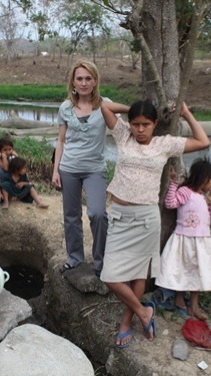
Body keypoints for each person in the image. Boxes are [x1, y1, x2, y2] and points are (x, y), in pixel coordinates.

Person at [100, 100, 211, 349]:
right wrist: (132, 109)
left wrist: (186, 112)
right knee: (110, 276)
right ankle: (144, 312)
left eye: (146, 124)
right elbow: (104, 107)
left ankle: (127, 320)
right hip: (120, 216)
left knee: (139, 273)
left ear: (155, 124)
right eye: (136, 124)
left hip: (146, 219)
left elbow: (203, 141)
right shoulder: (123, 136)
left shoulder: (164, 144)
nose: (140, 129)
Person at [52, 60, 129, 276]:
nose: (84, 83)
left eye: (88, 78)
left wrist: (140, 117)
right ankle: (75, 258)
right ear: (73, 82)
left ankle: (100, 261)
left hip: (94, 169)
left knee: (98, 213)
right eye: (79, 79)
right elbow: (61, 141)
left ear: (95, 81)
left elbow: (122, 130)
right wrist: (55, 170)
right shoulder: (65, 108)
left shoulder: (105, 105)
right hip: (68, 167)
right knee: (71, 215)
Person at [155, 158, 211, 320]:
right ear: (204, 179)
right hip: (185, 239)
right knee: (182, 269)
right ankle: (179, 298)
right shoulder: (186, 192)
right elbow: (170, 203)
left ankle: (194, 306)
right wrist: (173, 184)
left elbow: (208, 220)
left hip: (201, 241)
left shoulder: (202, 196)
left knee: (197, 272)